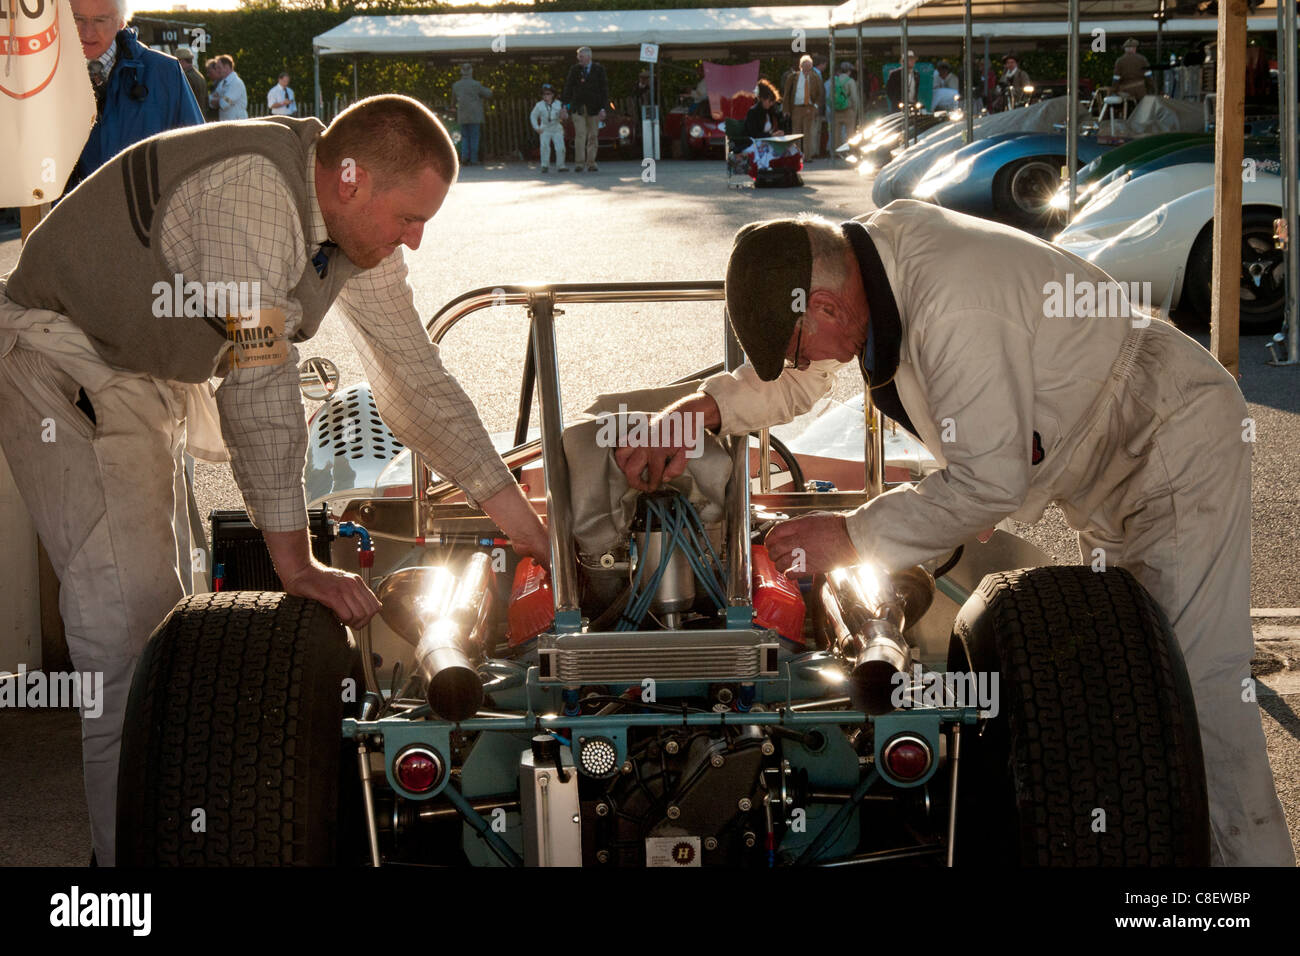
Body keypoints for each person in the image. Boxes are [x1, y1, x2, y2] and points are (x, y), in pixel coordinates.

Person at [613, 201, 1296, 868]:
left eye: (795, 347)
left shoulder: (951, 307)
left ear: (823, 307)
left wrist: (849, 535)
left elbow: (988, 484)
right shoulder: (871, 262)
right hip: (1109, 453)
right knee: (1146, 689)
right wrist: (700, 412)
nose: (802, 364)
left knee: (1193, 685)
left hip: (1167, 440)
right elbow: (804, 380)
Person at [0, 95, 551, 866]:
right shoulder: (252, 196)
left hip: (144, 372)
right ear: (352, 181)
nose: (417, 242)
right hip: (66, 365)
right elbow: (260, 385)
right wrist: (295, 566)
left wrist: (509, 505)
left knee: (165, 625)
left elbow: (412, 374)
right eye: (409, 218)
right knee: (125, 637)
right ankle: (121, 882)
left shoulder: (351, 224)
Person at [68, 0, 203, 190]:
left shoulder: (164, 73)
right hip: (66, 217)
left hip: (147, 217)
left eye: (100, 20)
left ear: (122, 21)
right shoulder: (40, 77)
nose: (87, 32)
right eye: (77, 18)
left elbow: (197, 157)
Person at [562, 46, 609, 173]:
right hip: (578, 108)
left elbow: (604, 90)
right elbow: (568, 87)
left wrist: (603, 108)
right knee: (580, 135)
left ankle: (591, 163)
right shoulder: (575, 69)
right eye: (578, 56)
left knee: (593, 135)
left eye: (581, 56)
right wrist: (564, 105)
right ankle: (579, 163)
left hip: (594, 108)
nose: (579, 59)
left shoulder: (599, 69)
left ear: (589, 57)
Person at [781, 55, 824, 159]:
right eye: (805, 67)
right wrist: (786, 109)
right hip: (796, 108)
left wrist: (815, 106)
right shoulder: (793, 77)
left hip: (809, 107)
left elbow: (820, 93)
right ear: (801, 66)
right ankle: (797, 155)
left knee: (808, 133)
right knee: (796, 133)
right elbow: (786, 94)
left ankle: (808, 156)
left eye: (809, 67)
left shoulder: (815, 77)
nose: (807, 69)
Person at [451, 63, 493, 166]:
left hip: (462, 115)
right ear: (471, 71)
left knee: (465, 137)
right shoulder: (476, 84)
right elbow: (488, 94)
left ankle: (465, 158)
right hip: (475, 116)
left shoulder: (456, 85)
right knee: (474, 137)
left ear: (461, 71)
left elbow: (453, 101)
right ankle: (474, 159)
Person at [531, 83, 568, 173]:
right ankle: (544, 165)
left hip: (556, 128)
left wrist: (564, 115)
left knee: (560, 148)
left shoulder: (559, 104)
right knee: (544, 147)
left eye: (548, 94)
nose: (546, 96)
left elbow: (565, 116)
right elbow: (533, 116)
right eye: (544, 94)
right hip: (545, 128)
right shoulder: (539, 105)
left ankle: (561, 165)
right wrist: (536, 127)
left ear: (553, 94)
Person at [830, 62, 861, 150]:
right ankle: (851, 150)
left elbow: (831, 97)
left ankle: (837, 151)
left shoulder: (834, 81)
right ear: (849, 71)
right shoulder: (850, 81)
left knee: (836, 133)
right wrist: (855, 109)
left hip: (836, 110)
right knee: (850, 132)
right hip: (848, 110)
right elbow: (854, 97)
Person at [208, 53, 248, 121]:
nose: (217, 70)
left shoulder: (236, 83)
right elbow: (210, 100)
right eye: (216, 68)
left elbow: (224, 103)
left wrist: (219, 98)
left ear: (226, 67)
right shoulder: (222, 83)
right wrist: (221, 99)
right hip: (227, 123)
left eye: (219, 68)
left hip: (238, 123)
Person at [174, 45, 207, 122]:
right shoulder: (199, 75)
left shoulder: (186, 77)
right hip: (201, 116)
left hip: (191, 118)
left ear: (181, 61)